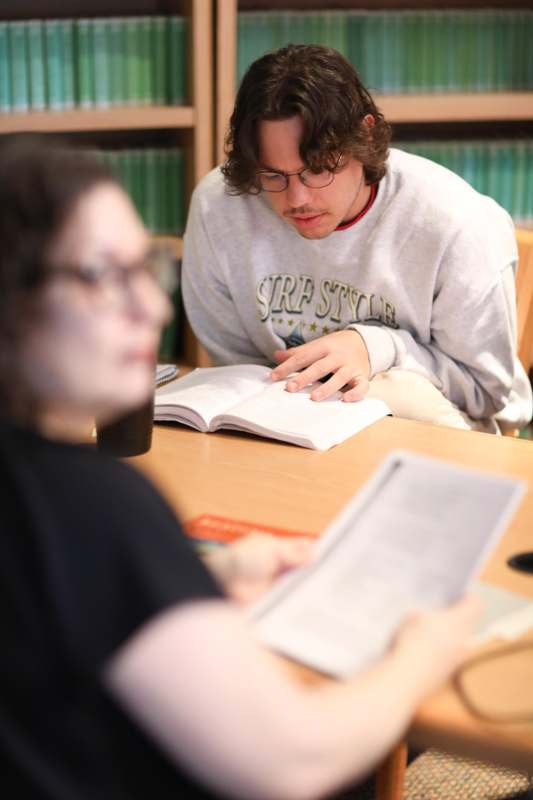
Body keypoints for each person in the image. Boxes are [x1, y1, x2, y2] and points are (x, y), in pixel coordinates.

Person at [0, 136, 477, 800]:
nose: (155, 309)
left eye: (147, 269)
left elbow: (55, 615)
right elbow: (293, 762)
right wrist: (420, 656)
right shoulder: (91, 502)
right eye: (101, 276)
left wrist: (198, 577)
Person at [182, 44, 532, 435]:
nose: (296, 200)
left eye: (317, 170)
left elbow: (487, 392)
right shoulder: (220, 208)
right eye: (273, 176)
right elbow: (241, 371)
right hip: (292, 421)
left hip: (439, 433)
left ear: (363, 136)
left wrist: (376, 349)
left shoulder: (456, 224)